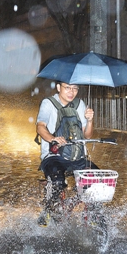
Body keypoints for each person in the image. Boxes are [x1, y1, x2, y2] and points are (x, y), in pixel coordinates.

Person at [35, 81, 96, 226]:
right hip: (54, 157)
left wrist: (90, 120)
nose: (71, 92)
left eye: (75, 88)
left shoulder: (80, 104)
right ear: (58, 88)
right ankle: (48, 210)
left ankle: (92, 214)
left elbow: (87, 135)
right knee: (57, 181)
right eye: (67, 87)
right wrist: (53, 139)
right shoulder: (48, 103)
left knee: (97, 180)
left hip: (77, 156)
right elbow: (40, 127)